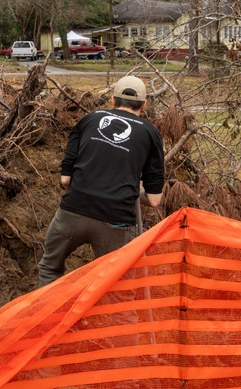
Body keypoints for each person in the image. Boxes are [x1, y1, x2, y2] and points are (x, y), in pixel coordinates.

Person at [37, 75, 165, 287]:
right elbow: (153, 200)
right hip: (116, 221)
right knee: (118, 286)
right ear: (144, 104)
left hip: (73, 213)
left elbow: (66, 180)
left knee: (50, 268)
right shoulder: (151, 133)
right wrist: (134, 190)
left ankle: (47, 317)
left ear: (113, 101)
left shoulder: (89, 119)